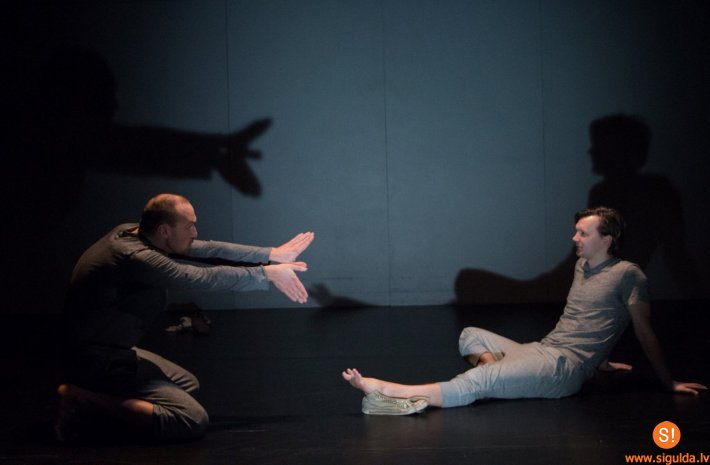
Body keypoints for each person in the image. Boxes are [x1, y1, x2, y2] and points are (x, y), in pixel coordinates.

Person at [343, 207, 706, 415]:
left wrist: (668, 382)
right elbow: (594, 318)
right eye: (576, 232)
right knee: (470, 334)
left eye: (583, 233)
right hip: (542, 349)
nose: (574, 238)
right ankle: (497, 374)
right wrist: (603, 359)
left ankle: (393, 393)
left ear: (607, 239)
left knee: (477, 382)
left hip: (563, 369)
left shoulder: (629, 275)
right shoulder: (582, 266)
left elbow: (643, 332)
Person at [55, 193, 314, 441]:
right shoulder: (136, 257)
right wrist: (266, 274)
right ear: (164, 230)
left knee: (187, 384)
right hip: (95, 357)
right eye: (189, 226)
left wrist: (271, 254)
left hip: (111, 348)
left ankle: (101, 406)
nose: (195, 232)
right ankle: (84, 400)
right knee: (190, 419)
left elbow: (207, 248)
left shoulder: (132, 231)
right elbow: (200, 277)